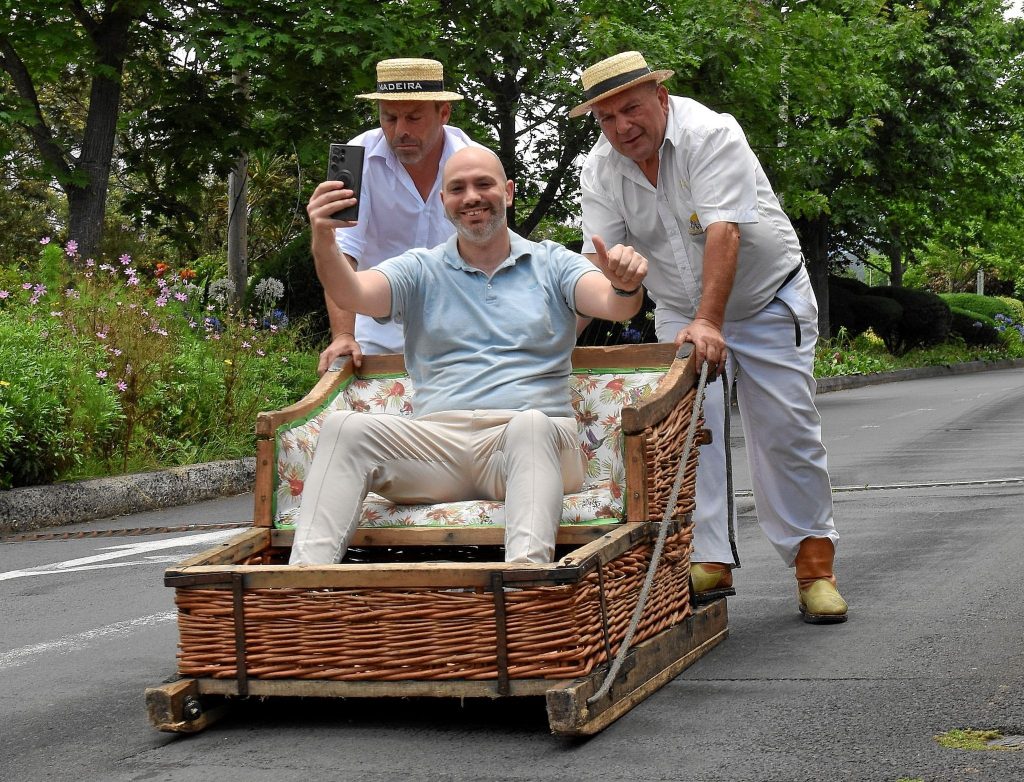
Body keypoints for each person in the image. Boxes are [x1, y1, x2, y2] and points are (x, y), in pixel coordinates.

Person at [571, 51, 848, 623]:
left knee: (786, 432)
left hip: (767, 299)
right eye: (607, 118)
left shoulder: (711, 132)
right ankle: (707, 561)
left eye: (632, 109)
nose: (623, 127)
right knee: (690, 436)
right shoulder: (600, 169)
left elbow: (724, 230)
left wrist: (710, 322)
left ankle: (814, 567)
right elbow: (597, 271)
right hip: (679, 308)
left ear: (660, 98)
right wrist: (553, 349)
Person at [290, 146, 649, 566]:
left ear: (509, 192)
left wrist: (625, 285)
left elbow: (616, 304)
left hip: (532, 441)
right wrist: (323, 239)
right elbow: (352, 291)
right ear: (444, 202)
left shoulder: (553, 262)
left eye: (484, 184)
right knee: (344, 429)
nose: (471, 197)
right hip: (438, 446)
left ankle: (524, 587)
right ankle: (304, 589)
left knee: (529, 426)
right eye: (457, 188)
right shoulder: (419, 269)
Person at [316, 57, 480, 374]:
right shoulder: (353, 158)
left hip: (461, 339)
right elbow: (342, 254)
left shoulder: (474, 161)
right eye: (389, 118)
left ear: (444, 113)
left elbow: (490, 253)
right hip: (373, 337)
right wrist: (343, 335)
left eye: (414, 118)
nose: (400, 131)